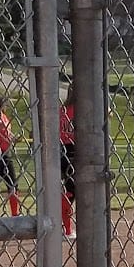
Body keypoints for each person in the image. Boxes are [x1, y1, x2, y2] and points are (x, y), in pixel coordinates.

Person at [60, 86, 76, 238]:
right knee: (72, 191)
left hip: (61, 151)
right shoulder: (79, 110)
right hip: (74, 152)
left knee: (69, 190)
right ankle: (67, 230)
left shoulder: (62, 110)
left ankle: (66, 228)